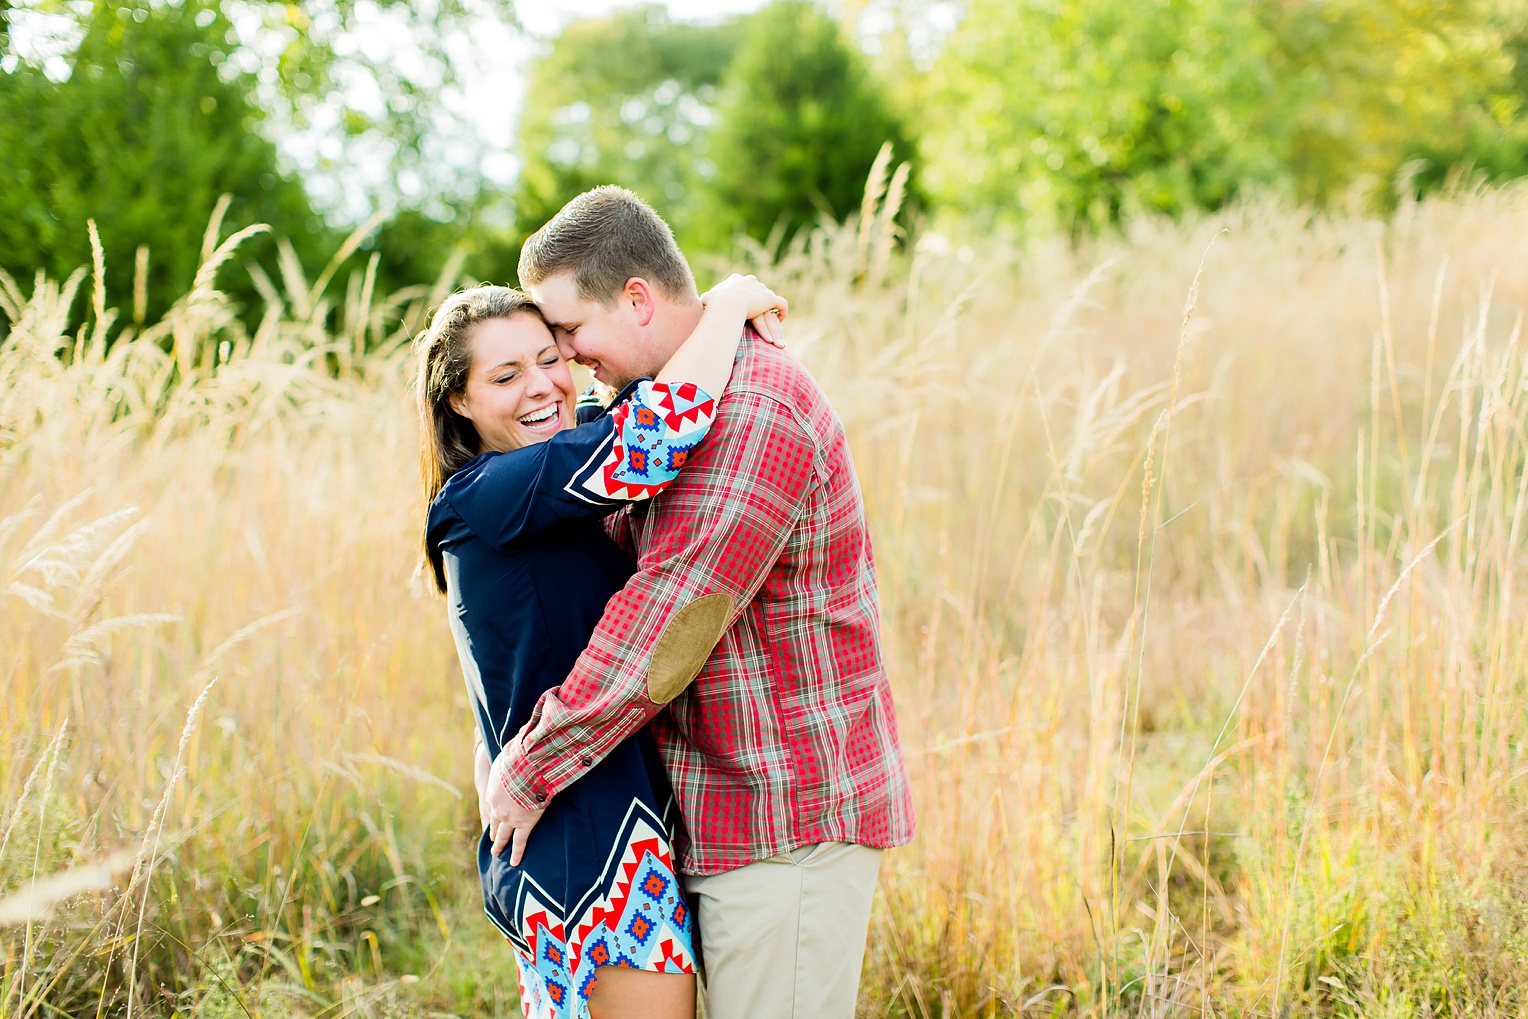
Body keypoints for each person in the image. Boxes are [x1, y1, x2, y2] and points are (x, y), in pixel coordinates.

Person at [484, 185, 916, 1019]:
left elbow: (668, 626)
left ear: (637, 299)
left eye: (570, 332)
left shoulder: (756, 412)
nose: (567, 358)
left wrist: (532, 765)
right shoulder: (664, 403)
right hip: (719, 811)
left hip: (785, 819)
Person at [414, 276, 788, 1019]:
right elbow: (651, 438)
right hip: (593, 848)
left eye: (551, 357)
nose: (543, 386)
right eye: (505, 374)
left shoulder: (517, 489)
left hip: (576, 825)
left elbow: (607, 415)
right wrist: (724, 306)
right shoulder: (493, 493)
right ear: (457, 399)